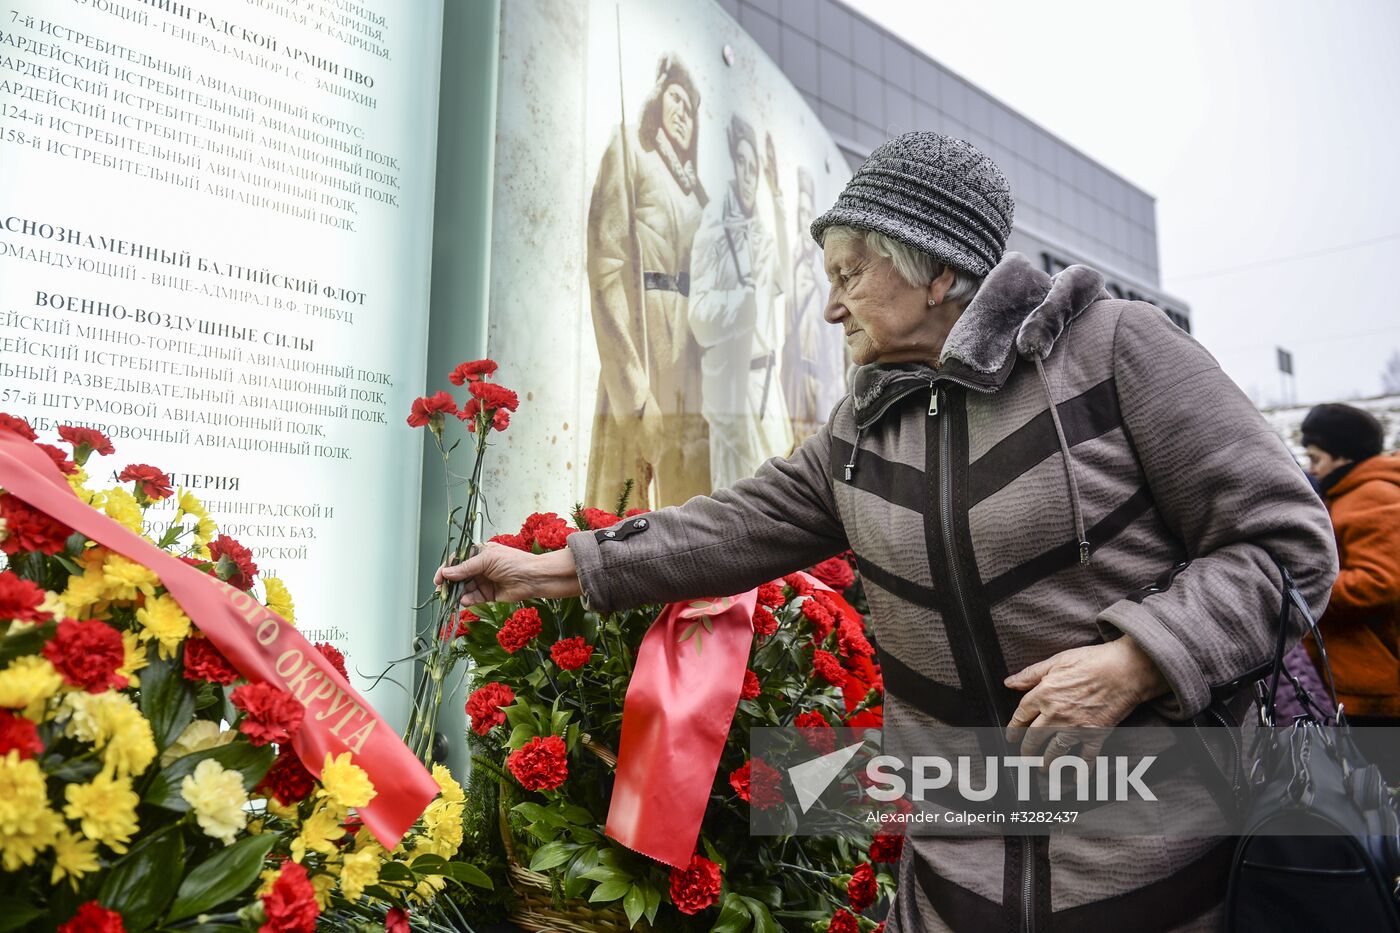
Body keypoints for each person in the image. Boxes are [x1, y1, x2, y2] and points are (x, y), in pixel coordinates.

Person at [441, 133, 1337, 931]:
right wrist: (546, 568)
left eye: (848, 276)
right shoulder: (862, 428)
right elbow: (733, 524)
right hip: (951, 887)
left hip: (1161, 877)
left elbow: (1286, 543)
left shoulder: (1114, 349)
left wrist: (1137, 660)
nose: (831, 310)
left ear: (937, 271)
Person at [584, 54, 711, 511]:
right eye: (676, 97)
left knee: (687, 519)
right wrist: (634, 393)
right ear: (658, 99)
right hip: (640, 352)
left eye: (693, 108)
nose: (684, 113)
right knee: (626, 509)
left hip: (687, 370)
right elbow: (605, 268)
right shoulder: (630, 149)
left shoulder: (694, 191)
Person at [688, 114, 794, 488]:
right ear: (733, 164)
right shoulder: (714, 229)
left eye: (755, 168)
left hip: (767, 392)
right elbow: (698, 315)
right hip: (732, 392)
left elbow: (785, 281)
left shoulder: (764, 237)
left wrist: (779, 198)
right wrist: (739, 302)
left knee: (777, 503)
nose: (748, 175)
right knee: (734, 512)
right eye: (742, 164)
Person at [1300, 403, 1400, 777]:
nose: (1312, 469)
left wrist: (1303, 587)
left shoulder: (1374, 496)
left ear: (1343, 455)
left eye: (1316, 458)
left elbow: (1380, 582)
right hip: (1358, 678)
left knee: (1381, 791)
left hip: (1376, 682)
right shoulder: (1348, 493)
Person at [782, 167, 846, 442]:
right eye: (800, 214)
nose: (831, 312)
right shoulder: (793, 268)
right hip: (798, 374)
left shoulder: (818, 275)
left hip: (820, 379)